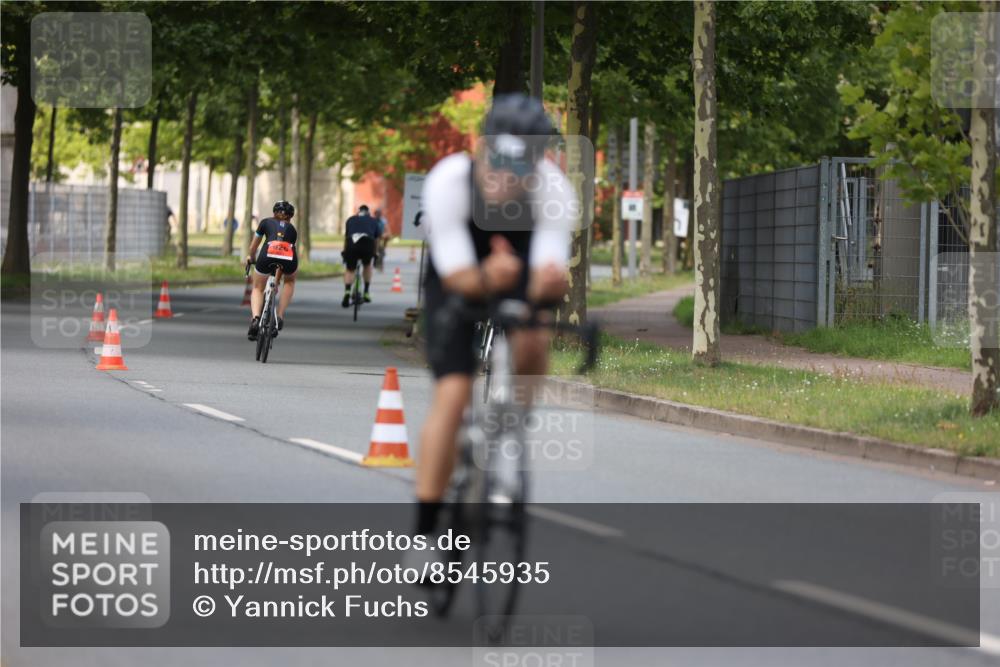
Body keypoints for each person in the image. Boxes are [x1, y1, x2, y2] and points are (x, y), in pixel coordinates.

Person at [413, 93, 576, 539]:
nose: (506, 176)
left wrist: (547, 286)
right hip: (460, 269)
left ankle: (509, 432)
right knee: (452, 393)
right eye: (499, 160)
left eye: (521, 166)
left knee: (534, 334)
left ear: (538, 164)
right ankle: (426, 533)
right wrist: (486, 277)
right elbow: (460, 276)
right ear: (481, 148)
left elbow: (547, 274)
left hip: (517, 259)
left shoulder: (554, 190)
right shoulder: (449, 181)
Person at [245, 201, 298, 340]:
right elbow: (284, 255)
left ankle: (256, 318)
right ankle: (279, 316)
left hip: (266, 255)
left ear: (274, 213)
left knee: (257, 288)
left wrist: (251, 257)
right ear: (290, 217)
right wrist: (277, 280)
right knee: (290, 281)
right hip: (287, 258)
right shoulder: (292, 230)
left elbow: (253, 247)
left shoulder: (265, 222)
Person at [341, 204, 381, 306]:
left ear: (358, 212)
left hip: (351, 243)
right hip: (367, 243)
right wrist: (375, 253)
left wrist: (345, 251)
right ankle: (366, 292)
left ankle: (347, 292)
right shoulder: (373, 220)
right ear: (368, 213)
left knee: (350, 269)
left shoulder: (350, 220)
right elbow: (376, 239)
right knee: (367, 266)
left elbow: (346, 238)